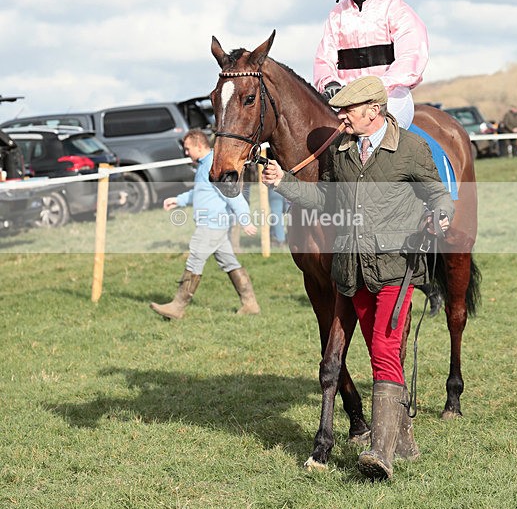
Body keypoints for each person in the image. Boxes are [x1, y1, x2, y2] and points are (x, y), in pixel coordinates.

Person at [262, 76, 453, 481]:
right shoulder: (344, 154)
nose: (341, 116)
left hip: (395, 267)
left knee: (384, 347)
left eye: (348, 109)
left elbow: (437, 193)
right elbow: (325, 199)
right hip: (353, 269)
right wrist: (283, 183)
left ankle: (380, 452)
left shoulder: (410, 149)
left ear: (374, 110)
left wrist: (441, 213)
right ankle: (403, 439)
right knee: (375, 346)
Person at [313, 0, 429, 129]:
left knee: (376, 133)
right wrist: (329, 83)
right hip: (346, 101)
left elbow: (411, 58)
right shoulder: (336, 15)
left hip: (390, 98)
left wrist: (373, 90)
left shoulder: (396, 9)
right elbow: (324, 59)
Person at [150, 130, 260, 319]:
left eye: (188, 149)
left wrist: (245, 219)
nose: (186, 153)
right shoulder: (204, 166)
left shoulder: (212, 164)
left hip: (211, 226)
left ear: (199, 146)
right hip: (215, 225)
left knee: (195, 260)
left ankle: (177, 307)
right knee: (229, 263)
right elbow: (201, 192)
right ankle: (250, 304)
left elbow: (232, 193)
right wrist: (178, 200)